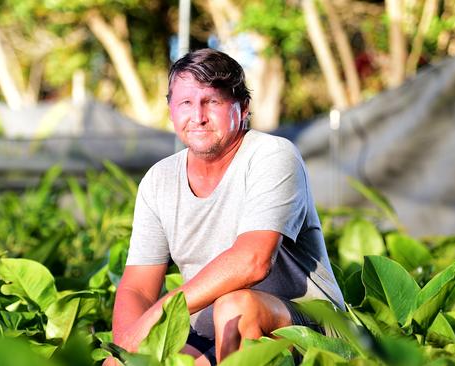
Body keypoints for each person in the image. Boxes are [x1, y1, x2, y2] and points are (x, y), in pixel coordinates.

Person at [107, 48, 344, 365]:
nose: (198, 116)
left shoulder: (272, 156)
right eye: (186, 103)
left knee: (235, 307)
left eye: (213, 102)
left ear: (243, 107)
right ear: (170, 110)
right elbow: (137, 288)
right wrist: (128, 348)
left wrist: (162, 312)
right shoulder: (158, 180)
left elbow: (253, 261)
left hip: (305, 326)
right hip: (209, 331)